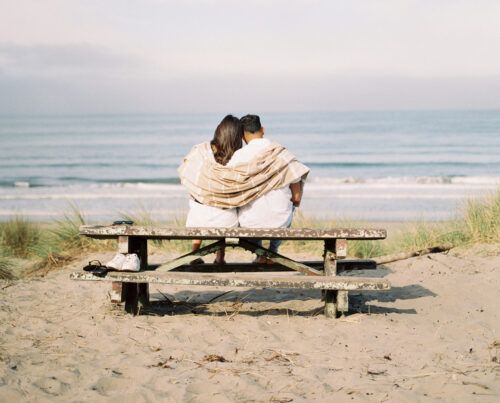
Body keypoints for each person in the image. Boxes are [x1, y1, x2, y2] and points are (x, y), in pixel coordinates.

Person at [227, 114, 305, 263]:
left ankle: (260, 254)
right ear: (263, 130)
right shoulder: (282, 153)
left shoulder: (238, 156)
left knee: (244, 206)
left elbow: (232, 190)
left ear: (242, 137)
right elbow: (296, 196)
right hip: (280, 221)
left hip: (250, 223)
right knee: (288, 206)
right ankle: (272, 251)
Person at [183, 115, 243, 264]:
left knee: (198, 203)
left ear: (217, 130)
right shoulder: (238, 157)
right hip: (227, 221)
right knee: (225, 206)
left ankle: (195, 253)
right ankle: (220, 256)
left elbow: (189, 176)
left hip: (198, 219)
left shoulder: (202, 152)